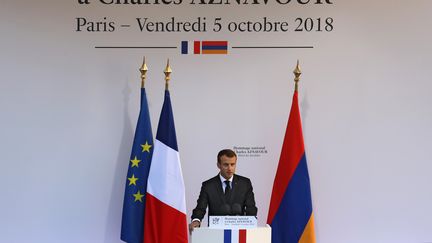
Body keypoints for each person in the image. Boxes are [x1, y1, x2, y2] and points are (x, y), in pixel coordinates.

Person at [189, 149, 258, 232]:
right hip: (215, 233)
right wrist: (196, 220)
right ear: (218, 165)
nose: (230, 168)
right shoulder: (208, 185)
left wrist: (251, 224)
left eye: (232, 164)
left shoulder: (245, 183)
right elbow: (200, 208)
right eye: (226, 165)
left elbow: (251, 208)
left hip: (239, 233)